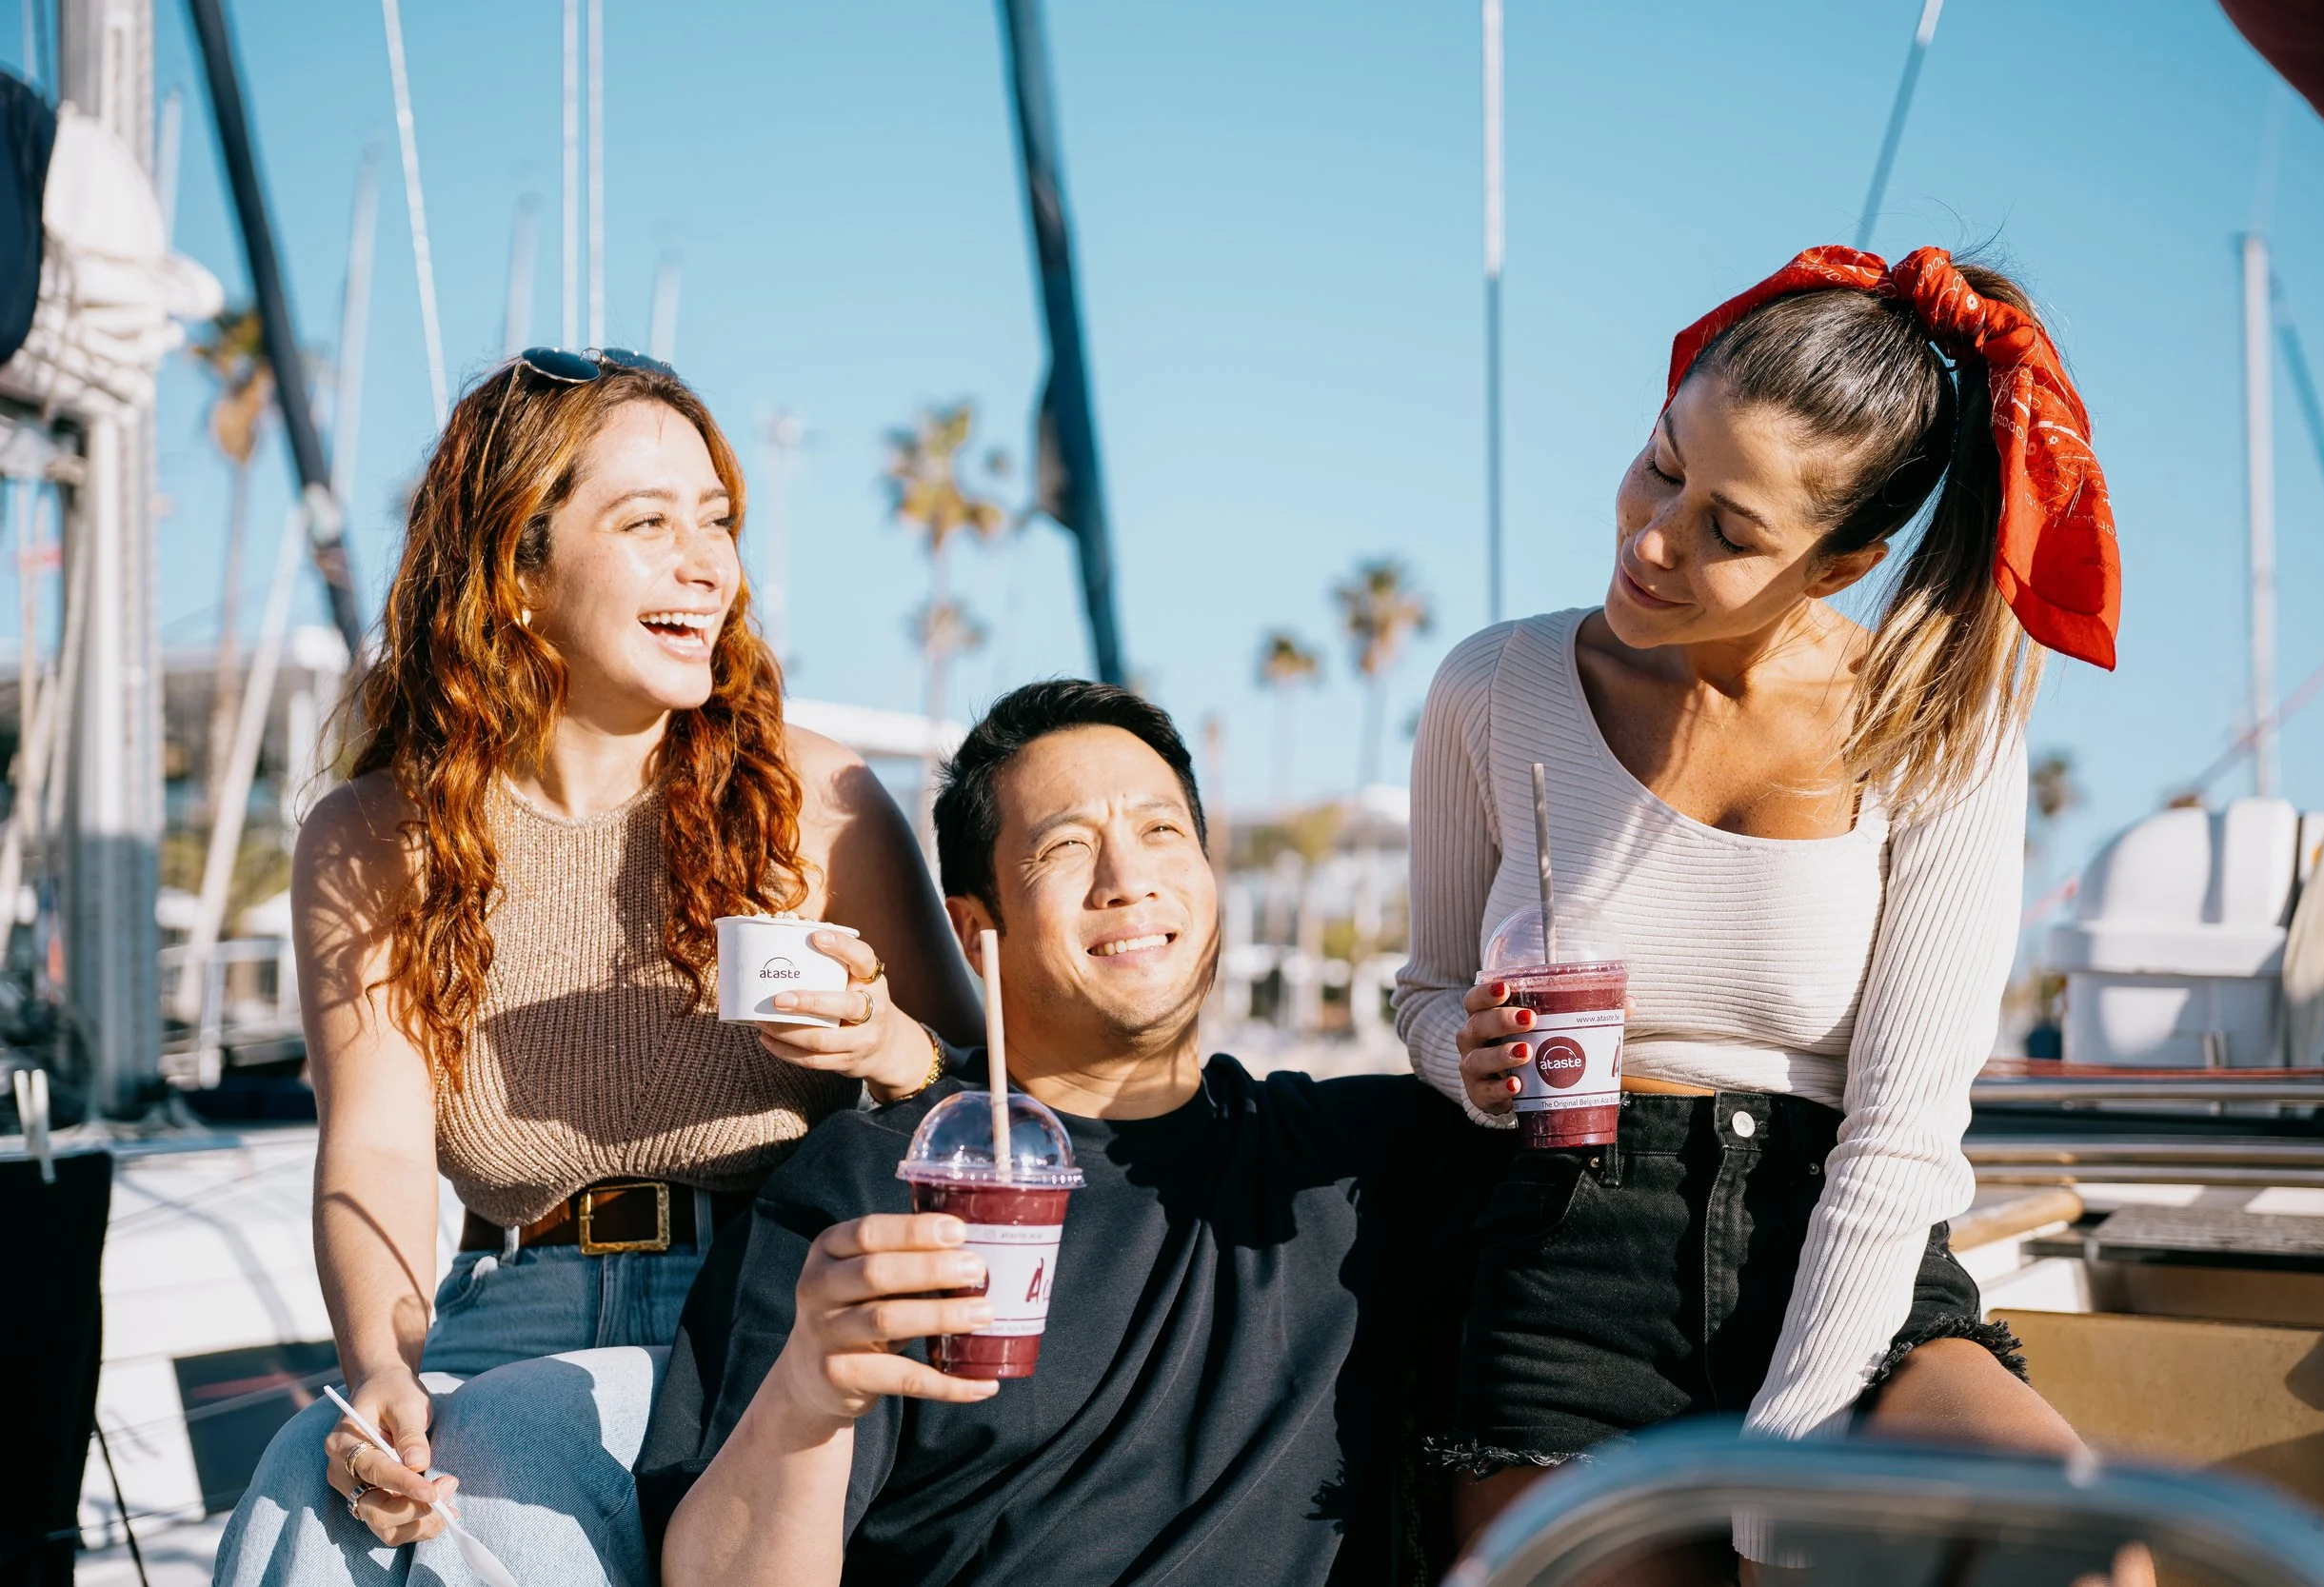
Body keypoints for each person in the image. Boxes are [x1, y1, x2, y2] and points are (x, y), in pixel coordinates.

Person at [214, 347, 981, 1586]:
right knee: (320, 1474)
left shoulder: (817, 798)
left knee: (507, 1496)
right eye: (648, 521)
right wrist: (383, 1376)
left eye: (718, 519)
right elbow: (380, 1152)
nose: (707, 561)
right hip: (512, 1293)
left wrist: (882, 1041)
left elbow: (994, 1100)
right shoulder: (376, 837)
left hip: (760, 1302)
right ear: (517, 571)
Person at [1394, 248, 2112, 1548]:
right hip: (1570, 1260)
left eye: (1730, 527)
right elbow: (1425, 989)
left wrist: (1788, 1468)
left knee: (2084, 1552)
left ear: (1842, 565)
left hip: (1849, 1246)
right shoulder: (1494, 688)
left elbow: (1900, 1132)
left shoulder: (1934, 725)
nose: (1653, 534)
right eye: (1663, 462)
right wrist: (1467, 1053)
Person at [635, 680, 1491, 1587]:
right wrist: (804, 1405)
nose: (1129, 881)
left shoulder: (1358, 1158)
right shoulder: (880, 1187)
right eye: (1068, 847)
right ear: (975, 929)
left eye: (1163, 832)